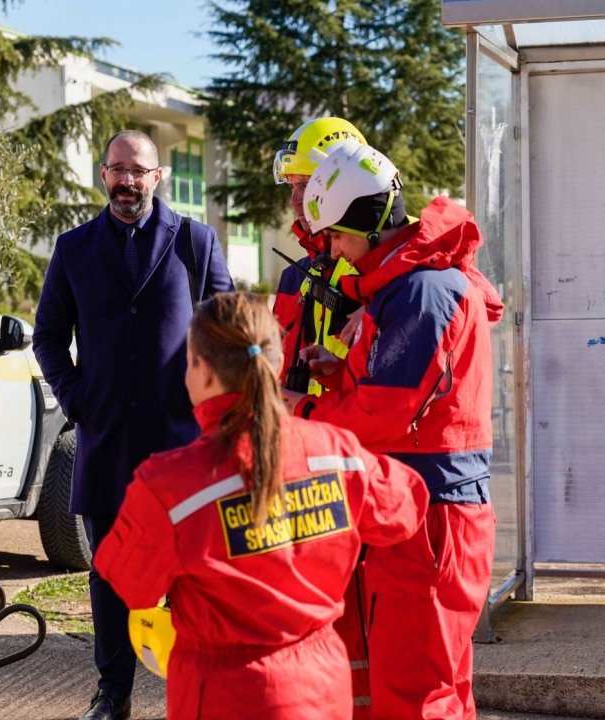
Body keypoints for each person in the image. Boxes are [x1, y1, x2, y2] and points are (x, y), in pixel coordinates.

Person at [92, 292, 429, 720]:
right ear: (274, 363)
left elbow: (127, 583)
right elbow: (406, 507)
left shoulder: (169, 485)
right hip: (323, 684)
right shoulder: (337, 452)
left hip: (225, 695)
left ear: (203, 370)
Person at [33, 129, 234, 720]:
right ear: (103, 175)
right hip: (105, 443)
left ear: (158, 177)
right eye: (117, 170)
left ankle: (197, 692)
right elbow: (47, 337)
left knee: (192, 576)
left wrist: (214, 413)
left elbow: (226, 333)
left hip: (183, 448)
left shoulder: (195, 242)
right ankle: (112, 691)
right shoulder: (73, 249)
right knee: (111, 575)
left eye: (138, 171)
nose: (127, 181)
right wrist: (76, 398)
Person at [298, 142, 504, 719]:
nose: (334, 251)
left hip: (429, 519)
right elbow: (409, 398)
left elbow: (382, 414)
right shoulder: (416, 284)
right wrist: (343, 373)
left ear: (364, 221)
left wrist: (306, 417)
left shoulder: (421, 291)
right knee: (436, 687)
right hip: (427, 515)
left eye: (336, 235)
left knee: (415, 696)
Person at [272, 116, 374, 716]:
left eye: (303, 185)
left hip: (347, 460)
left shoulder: (374, 271)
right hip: (303, 458)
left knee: (357, 627)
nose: (294, 198)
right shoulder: (300, 272)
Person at [272, 117, 367, 392]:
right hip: (309, 430)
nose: (294, 199)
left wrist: (385, 306)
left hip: (366, 430)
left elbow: (480, 300)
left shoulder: (404, 248)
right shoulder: (294, 276)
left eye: (306, 184)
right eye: (292, 186)